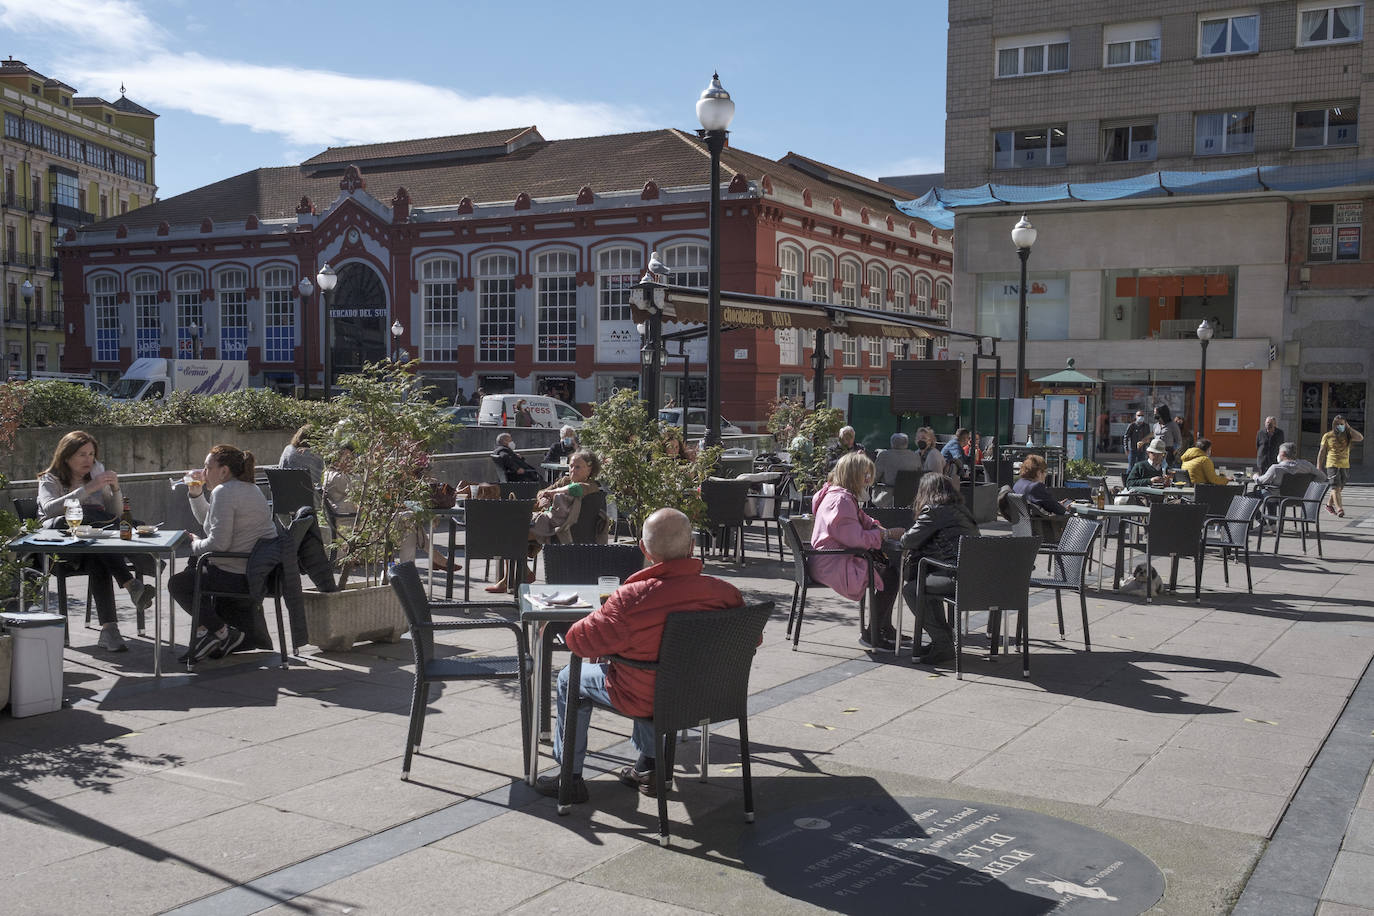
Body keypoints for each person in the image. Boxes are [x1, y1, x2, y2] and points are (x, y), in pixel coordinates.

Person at [535, 508, 742, 803]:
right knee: (655, 670)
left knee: (572, 677)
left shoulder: (631, 598)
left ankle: (570, 777)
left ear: (644, 549)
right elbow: (750, 638)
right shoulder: (724, 593)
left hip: (645, 695)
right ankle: (649, 766)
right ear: (691, 546)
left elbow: (579, 643)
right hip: (705, 695)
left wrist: (595, 622)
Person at [37, 431, 153, 652]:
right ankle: (134, 575)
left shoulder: (95, 476)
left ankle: (110, 630)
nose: (88, 459)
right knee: (90, 516)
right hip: (61, 550)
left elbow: (115, 513)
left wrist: (115, 488)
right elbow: (50, 509)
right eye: (82, 454)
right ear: (66, 456)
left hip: (91, 547)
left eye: (91, 454)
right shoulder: (49, 479)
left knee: (99, 550)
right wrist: (88, 489)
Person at [168, 444, 278, 661]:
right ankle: (208, 634)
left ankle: (221, 633)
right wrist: (196, 493)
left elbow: (218, 543)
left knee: (178, 584)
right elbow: (210, 521)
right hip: (256, 573)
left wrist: (195, 543)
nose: (204, 472)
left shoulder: (224, 491)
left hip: (238, 576)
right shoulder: (246, 488)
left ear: (224, 471)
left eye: (208, 467)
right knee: (194, 567)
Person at [809, 452, 907, 650]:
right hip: (834, 564)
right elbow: (855, 539)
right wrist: (885, 535)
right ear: (854, 475)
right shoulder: (841, 501)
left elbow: (862, 519)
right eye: (866, 475)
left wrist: (877, 528)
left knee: (890, 571)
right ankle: (873, 633)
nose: (869, 480)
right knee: (891, 576)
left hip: (829, 560)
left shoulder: (839, 495)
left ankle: (882, 627)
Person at [486, 450, 604, 592]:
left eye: (578, 467)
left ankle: (514, 577)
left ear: (590, 469)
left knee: (512, 532)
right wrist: (545, 499)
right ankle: (515, 576)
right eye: (571, 466)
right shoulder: (565, 480)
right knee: (509, 528)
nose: (572, 470)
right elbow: (541, 492)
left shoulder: (591, 485)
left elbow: (576, 489)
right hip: (547, 521)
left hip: (560, 528)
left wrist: (553, 493)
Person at [324, 445, 454, 572]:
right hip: (356, 529)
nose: (350, 461)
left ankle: (411, 568)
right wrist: (378, 467)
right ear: (335, 459)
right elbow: (365, 483)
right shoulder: (334, 476)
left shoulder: (341, 475)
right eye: (346, 458)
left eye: (351, 457)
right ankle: (417, 564)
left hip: (362, 522)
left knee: (408, 517)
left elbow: (371, 490)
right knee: (409, 519)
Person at [900, 473, 979, 666]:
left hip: (956, 576)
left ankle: (943, 642)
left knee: (912, 590)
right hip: (977, 576)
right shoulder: (961, 509)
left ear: (925, 491)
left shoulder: (934, 511)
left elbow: (908, 540)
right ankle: (941, 640)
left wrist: (898, 533)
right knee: (926, 582)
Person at [1318, 415, 1363, 517]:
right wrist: (1319, 466)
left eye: (1342, 424)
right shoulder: (1327, 436)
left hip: (1344, 465)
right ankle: (1339, 509)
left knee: (1339, 488)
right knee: (1335, 487)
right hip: (1332, 464)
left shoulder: (1348, 435)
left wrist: (1349, 428)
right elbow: (1321, 452)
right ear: (1334, 424)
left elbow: (1360, 438)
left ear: (1345, 424)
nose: (1340, 426)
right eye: (1338, 424)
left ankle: (1329, 505)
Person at [873, 432, 923, 502]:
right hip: (911, 498)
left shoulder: (884, 456)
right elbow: (920, 476)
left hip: (888, 498)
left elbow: (874, 478)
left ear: (892, 443)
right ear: (906, 443)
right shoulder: (915, 456)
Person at [1254, 442, 1319, 491]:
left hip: (1276, 498)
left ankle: (1271, 510)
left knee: (1251, 496)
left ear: (1283, 453)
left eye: (1278, 452)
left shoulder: (1275, 468)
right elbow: (1323, 477)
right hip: (1301, 497)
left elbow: (1261, 481)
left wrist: (1255, 476)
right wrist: (1310, 486)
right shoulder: (1307, 465)